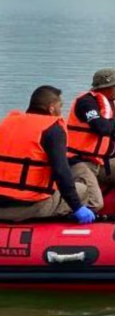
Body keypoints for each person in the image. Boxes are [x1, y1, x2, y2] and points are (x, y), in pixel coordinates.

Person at [0, 86, 95, 224]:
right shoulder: (53, 130)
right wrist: (77, 207)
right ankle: (63, 232)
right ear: (51, 108)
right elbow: (61, 172)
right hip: (28, 206)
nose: (61, 111)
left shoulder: (8, 123)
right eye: (60, 106)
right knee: (82, 190)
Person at [67, 68, 115, 219]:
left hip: (98, 163)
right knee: (95, 203)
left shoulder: (108, 106)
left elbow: (108, 143)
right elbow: (101, 127)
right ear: (104, 87)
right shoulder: (87, 103)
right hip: (78, 163)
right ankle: (66, 220)